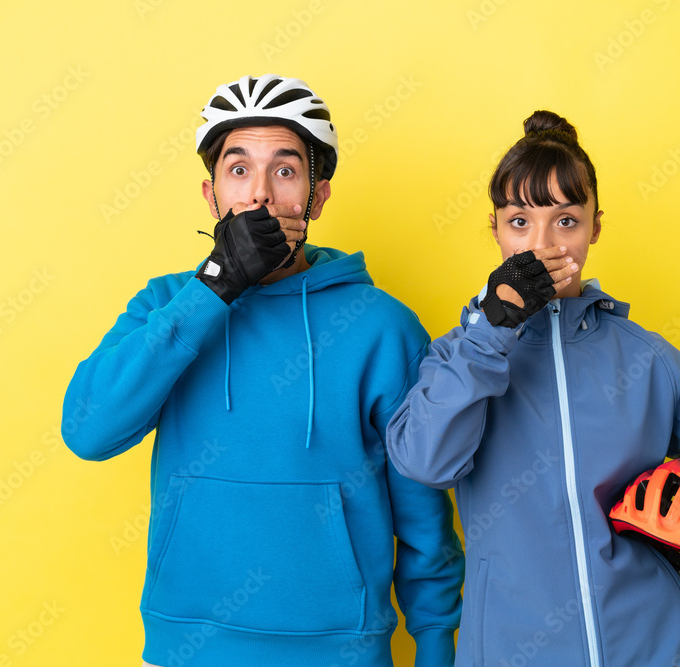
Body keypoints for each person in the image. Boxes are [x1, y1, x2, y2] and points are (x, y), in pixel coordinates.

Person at [386, 110, 680, 666]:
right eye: (520, 221)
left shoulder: (644, 357)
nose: (542, 244)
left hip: (654, 647)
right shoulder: (460, 354)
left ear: (595, 227)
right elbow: (426, 463)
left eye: (566, 221)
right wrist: (491, 333)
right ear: (495, 228)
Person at [62, 74, 463, 667]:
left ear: (318, 196)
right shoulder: (165, 306)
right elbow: (89, 431)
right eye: (238, 169)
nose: (260, 197)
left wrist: (435, 648)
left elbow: (423, 513)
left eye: (284, 170)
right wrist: (214, 290)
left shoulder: (381, 326)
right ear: (211, 194)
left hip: (341, 650)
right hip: (189, 647)